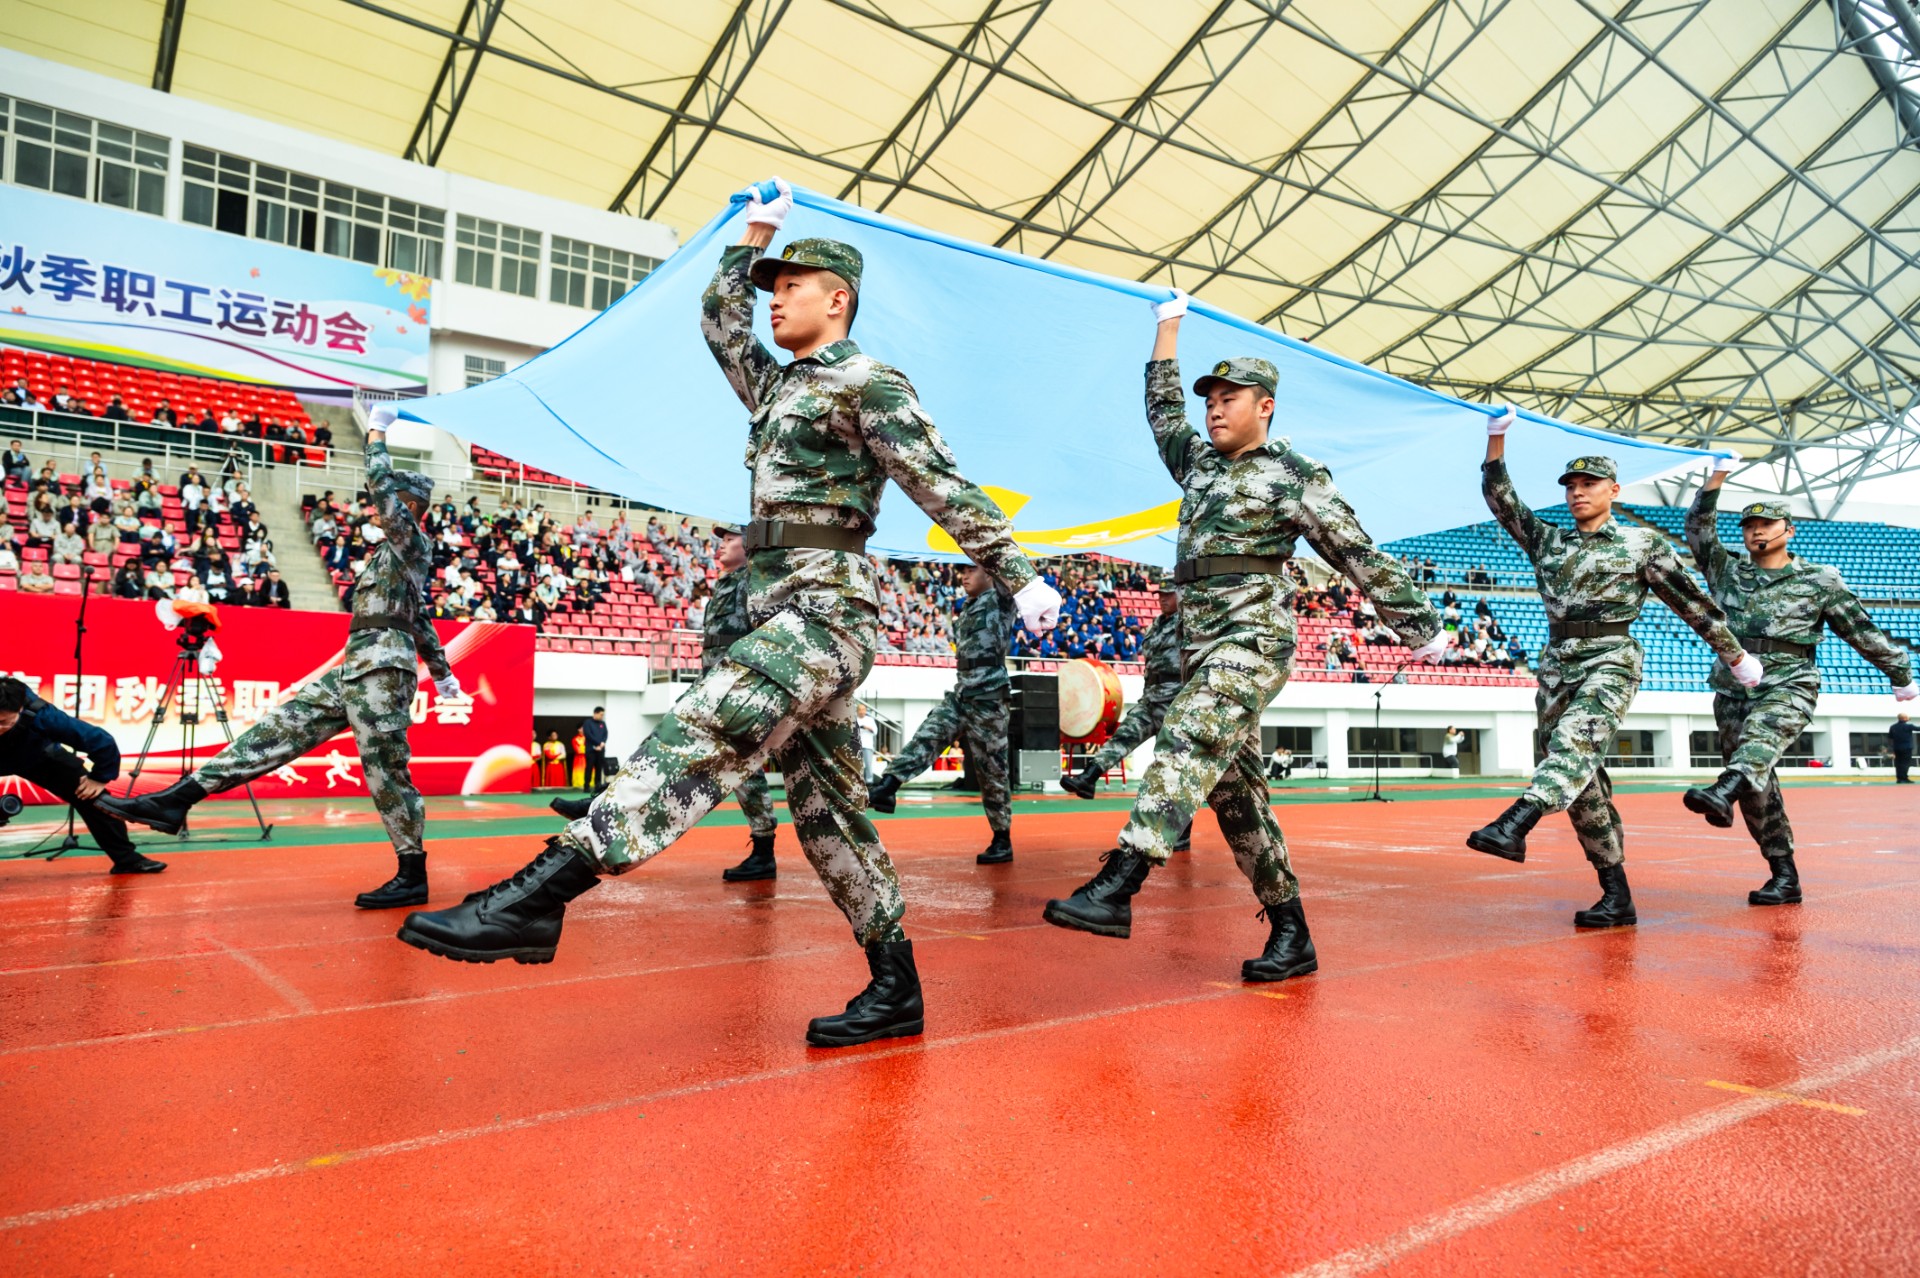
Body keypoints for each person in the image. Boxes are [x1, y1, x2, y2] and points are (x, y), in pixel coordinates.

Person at [396, 178, 1060, 1048]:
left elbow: (940, 479)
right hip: (775, 602)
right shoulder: (777, 388)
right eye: (771, 286)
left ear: (838, 299)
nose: (775, 298)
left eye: (792, 285)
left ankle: (538, 895)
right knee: (829, 816)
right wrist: (752, 236)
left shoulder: (869, 382)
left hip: (827, 607)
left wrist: (1017, 574)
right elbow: (719, 324)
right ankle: (895, 986)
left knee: (707, 722)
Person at [1042, 293, 1445, 983]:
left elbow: (1355, 550)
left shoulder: (1294, 475)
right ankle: (1292, 933)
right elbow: (1162, 412)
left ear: (1266, 406)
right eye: (1211, 400)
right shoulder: (1199, 464)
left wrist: (1419, 627)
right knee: (1237, 800)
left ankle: (1120, 883)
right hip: (1198, 643)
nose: (1215, 409)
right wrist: (1167, 330)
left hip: (1253, 637)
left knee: (1188, 732)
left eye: (1230, 398)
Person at [98, 411, 461, 911]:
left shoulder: (410, 541)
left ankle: (411, 872)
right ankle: (177, 800)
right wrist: (443, 674)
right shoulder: (391, 557)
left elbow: (383, 496)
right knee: (275, 731)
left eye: (389, 500)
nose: (376, 507)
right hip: (354, 669)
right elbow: (419, 618)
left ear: (409, 505)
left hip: (381, 673)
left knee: (385, 769)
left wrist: (376, 434)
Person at [1463, 411, 1761, 929]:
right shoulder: (1548, 540)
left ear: (1614, 490)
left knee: (1572, 744)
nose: (1578, 492)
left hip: (1612, 658)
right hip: (1557, 665)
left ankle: (1516, 822)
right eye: (1571, 485)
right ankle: (1616, 894)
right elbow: (1501, 500)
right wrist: (1496, 439)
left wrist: (1735, 656)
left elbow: (1692, 603)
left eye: (1589, 484)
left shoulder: (1641, 544)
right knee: (1582, 782)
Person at [1678, 466, 1915, 903]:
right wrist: (1715, 479)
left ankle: (1723, 790)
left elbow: (1859, 630)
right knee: (1755, 785)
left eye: (1766, 524)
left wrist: (1899, 673)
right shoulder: (1726, 569)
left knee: (1758, 742)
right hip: (1733, 688)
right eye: (1749, 525)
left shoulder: (1819, 580)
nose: (1756, 531)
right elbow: (1697, 527)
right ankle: (1783, 875)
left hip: (1791, 681)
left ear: (1789, 530)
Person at [867, 562, 1019, 864]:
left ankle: (1002, 839)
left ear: (989, 573)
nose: (964, 576)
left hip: (989, 697)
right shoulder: (969, 605)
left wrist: (982, 551)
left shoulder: (1001, 598)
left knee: (992, 771)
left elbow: (1006, 565)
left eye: (971, 570)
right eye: (962, 571)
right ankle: (888, 786)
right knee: (929, 734)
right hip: (963, 693)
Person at [1059, 584, 1195, 852]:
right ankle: (1088, 778)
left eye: (1168, 594)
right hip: (1151, 697)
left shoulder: (1189, 621)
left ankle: (1182, 831)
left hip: (1177, 699)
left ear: (1181, 595)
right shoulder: (1156, 625)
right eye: (1159, 594)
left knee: (1177, 768)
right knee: (1124, 735)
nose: (1162, 599)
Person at [0, 678, 166, 874]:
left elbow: (101, 742)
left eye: (3, 722)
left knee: (94, 800)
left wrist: (99, 777)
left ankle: (127, 860)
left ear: (20, 710)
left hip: (37, 756)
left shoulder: (44, 716)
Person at [1892, 712, 1915, 784]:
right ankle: (1904, 778)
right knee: (1905, 763)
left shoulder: (1893, 727)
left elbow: (1890, 737)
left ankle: (1899, 778)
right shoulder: (1909, 726)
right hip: (1907, 748)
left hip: (1897, 747)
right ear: (1904, 718)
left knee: (1898, 763)